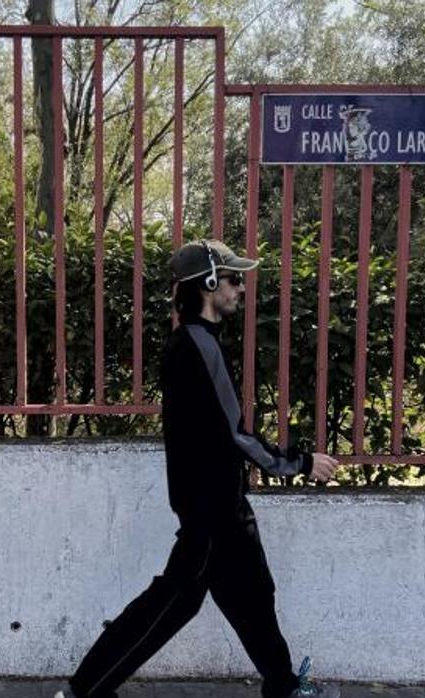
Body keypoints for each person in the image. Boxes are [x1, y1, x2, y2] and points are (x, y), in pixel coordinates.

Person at [57, 240, 339, 698]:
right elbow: (236, 433)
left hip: (218, 504)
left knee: (253, 597)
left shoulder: (192, 343)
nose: (240, 288)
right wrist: (300, 463)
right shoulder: (198, 345)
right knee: (171, 603)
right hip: (213, 512)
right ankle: (82, 691)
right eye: (233, 279)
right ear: (209, 284)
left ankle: (285, 687)